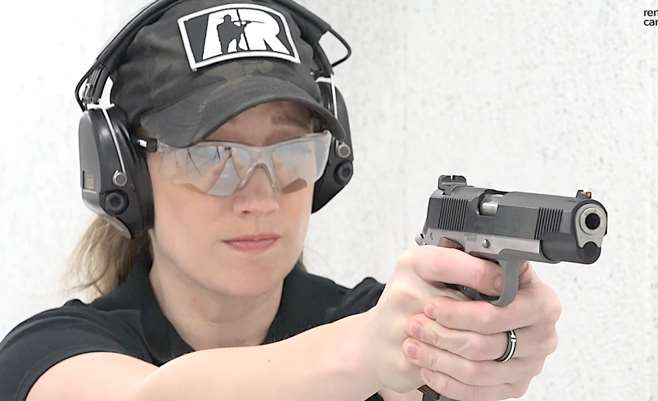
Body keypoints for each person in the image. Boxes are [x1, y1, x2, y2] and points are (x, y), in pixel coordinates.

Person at [0, 1, 562, 401]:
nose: (261, 196)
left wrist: (474, 358)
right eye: (212, 157)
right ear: (126, 174)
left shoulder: (375, 323)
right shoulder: (51, 352)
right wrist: (370, 353)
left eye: (292, 152)